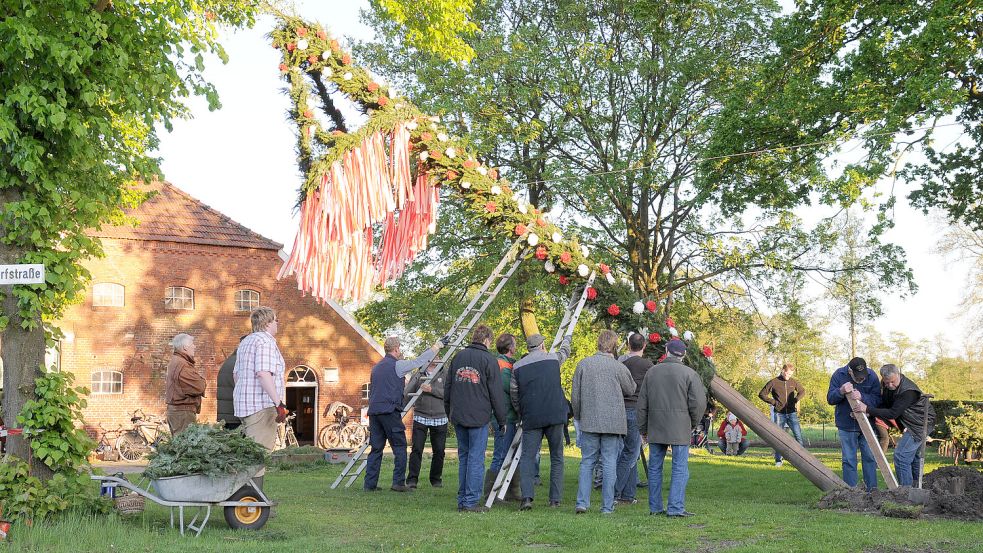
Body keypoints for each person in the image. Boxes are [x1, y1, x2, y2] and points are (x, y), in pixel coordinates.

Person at [637, 338, 707, 517]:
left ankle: (655, 507)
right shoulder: (689, 374)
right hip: (680, 426)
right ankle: (675, 508)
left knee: (654, 468)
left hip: (656, 425)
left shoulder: (652, 372)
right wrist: (692, 422)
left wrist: (643, 429)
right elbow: (698, 404)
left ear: (667, 352)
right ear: (683, 355)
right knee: (679, 467)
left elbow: (642, 403)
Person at [364, 336, 442, 492]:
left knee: (376, 448)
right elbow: (418, 362)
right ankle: (398, 482)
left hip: (374, 412)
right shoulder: (397, 365)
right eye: (400, 348)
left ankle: (369, 485)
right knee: (399, 446)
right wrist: (435, 347)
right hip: (389, 412)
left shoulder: (377, 367)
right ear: (396, 349)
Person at [571, 330, 636, 514]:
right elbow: (631, 389)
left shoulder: (583, 364)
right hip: (613, 422)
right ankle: (607, 506)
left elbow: (575, 397)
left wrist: (578, 416)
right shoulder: (618, 367)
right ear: (614, 346)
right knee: (609, 463)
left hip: (590, 420)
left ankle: (582, 502)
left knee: (587, 462)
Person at [444, 324, 507, 512]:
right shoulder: (489, 360)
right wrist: (502, 420)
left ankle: (463, 499)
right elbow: (496, 393)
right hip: (479, 416)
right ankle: (471, 501)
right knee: (476, 459)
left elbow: (448, 388)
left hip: (459, 415)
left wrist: (449, 412)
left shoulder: (458, 357)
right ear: (487, 340)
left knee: (464, 457)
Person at [511, 331, 572, 510]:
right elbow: (565, 352)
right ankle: (555, 499)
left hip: (532, 416)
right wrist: (567, 338)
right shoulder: (553, 359)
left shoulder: (517, 367)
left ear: (528, 348)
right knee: (557, 457)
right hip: (555, 414)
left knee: (528, 457)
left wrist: (521, 412)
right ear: (542, 346)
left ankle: (527, 498)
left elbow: (514, 394)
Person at [853, 364, 935, 487]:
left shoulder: (909, 391)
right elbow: (885, 404)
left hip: (921, 424)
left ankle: (905, 491)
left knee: (901, 456)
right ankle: (916, 488)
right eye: (887, 383)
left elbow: (893, 412)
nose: (890, 385)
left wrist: (867, 409)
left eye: (893, 382)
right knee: (913, 457)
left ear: (899, 374)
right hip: (911, 423)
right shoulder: (887, 386)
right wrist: (869, 413)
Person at [233, 306, 288, 490]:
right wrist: (279, 403)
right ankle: (251, 503)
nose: (277, 323)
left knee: (251, 453)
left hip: (244, 405)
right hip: (261, 406)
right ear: (267, 322)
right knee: (258, 456)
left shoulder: (246, 342)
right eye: (276, 320)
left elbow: (236, 375)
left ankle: (250, 500)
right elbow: (264, 374)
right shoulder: (265, 342)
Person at [826, 356, 881, 491]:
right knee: (849, 459)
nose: (861, 379)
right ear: (850, 371)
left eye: (863, 376)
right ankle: (851, 492)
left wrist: (863, 397)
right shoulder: (839, 375)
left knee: (869, 457)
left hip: (867, 424)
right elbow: (830, 399)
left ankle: (872, 491)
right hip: (846, 425)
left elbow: (878, 400)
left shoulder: (872, 376)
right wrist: (841, 391)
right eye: (858, 377)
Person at [614, 332, 652, 505]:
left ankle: (627, 495)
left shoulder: (621, 363)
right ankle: (614, 493)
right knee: (630, 454)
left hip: (620, 410)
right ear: (644, 346)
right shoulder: (648, 365)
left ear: (628, 345)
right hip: (636, 411)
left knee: (630, 452)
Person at [404, 359, 448, 489]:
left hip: (440, 417)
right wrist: (418, 374)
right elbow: (407, 392)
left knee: (439, 451)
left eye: (437, 356)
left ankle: (436, 479)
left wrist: (432, 389)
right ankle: (412, 480)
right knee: (417, 449)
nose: (435, 359)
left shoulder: (445, 373)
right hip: (421, 416)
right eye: (432, 356)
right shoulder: (419, 374)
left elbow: (449, 394)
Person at [487, 333, 519, 497]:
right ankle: (491, 493)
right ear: (510, 347)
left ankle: (511, 491)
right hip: (504, 416)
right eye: (515, 344)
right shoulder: (501, 365)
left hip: (508, 416)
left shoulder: (507, 363)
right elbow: (508, 387)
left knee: (512, 454)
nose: (516, 346)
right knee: (500, 454)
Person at [759, 363, 806, 467]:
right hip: (779, 414)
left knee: (798, 436)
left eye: (790, 374)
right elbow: (761, 394)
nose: (788, 376)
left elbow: (802, 391)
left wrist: (795, 400)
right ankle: (778, 460)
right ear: (782, 370)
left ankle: (803, 460)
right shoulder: (774, 382)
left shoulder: (793, 382)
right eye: (787, 373)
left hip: (792, 413)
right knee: (779, 438)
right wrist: (774, 402)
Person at [165, 333, 206, 435]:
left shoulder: (177, 361)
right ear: (185, 347)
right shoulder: (182, 364)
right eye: (192, 344)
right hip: (182, 413)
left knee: (180, 445)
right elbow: (199, 387)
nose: (194, 346)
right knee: (185, 447)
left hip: (179, 412)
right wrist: (202, 381)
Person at [216, 336, 246, 430]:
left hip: (228, 414)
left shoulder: (231, 360)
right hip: (235, 416)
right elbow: (243, 390)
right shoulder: (239, 363)